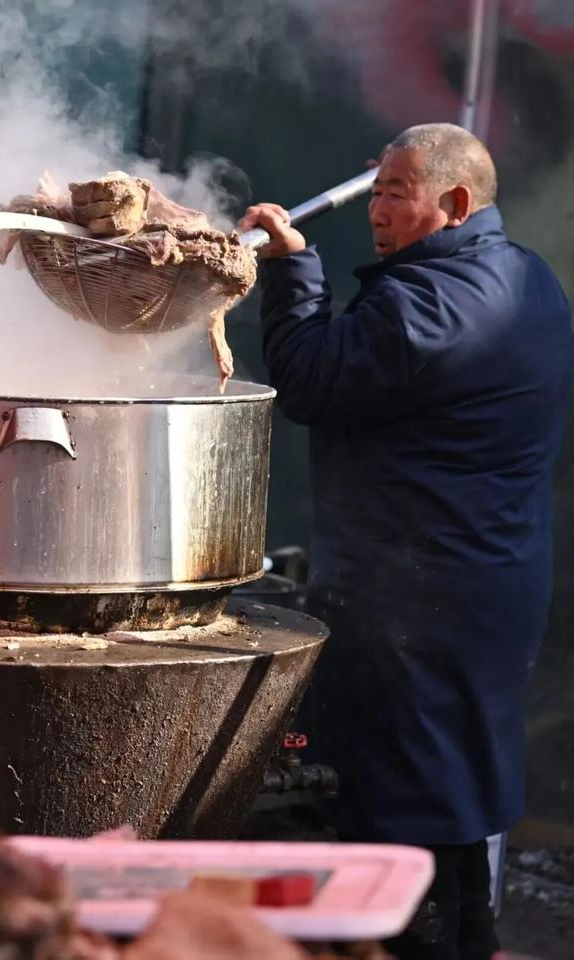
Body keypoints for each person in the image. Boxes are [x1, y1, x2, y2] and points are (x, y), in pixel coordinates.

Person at [238, 123, 574, 960]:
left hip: (415, 602)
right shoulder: (526, 277)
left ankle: (426, 946)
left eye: (396, 195)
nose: (378, 211)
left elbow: (311, 380)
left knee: (400, 805)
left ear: (455, 206)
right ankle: (475, 941)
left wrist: (289, 267)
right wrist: (398, 179)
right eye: (377, 190)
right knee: (458, 786)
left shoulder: (427, 304)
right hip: (491, 582)